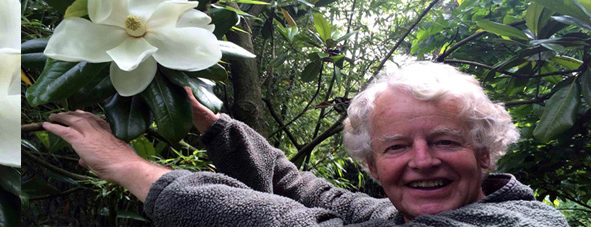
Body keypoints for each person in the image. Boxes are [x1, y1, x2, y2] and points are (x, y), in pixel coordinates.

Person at [43, 62, 568, 226]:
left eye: (444, 140)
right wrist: (214, 125)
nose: (421, 161)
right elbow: (309, 192)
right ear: (371, 164)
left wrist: (129, 166)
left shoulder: (522, 223)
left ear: (484, 151)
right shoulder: (397, 214)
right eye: (395, 147)